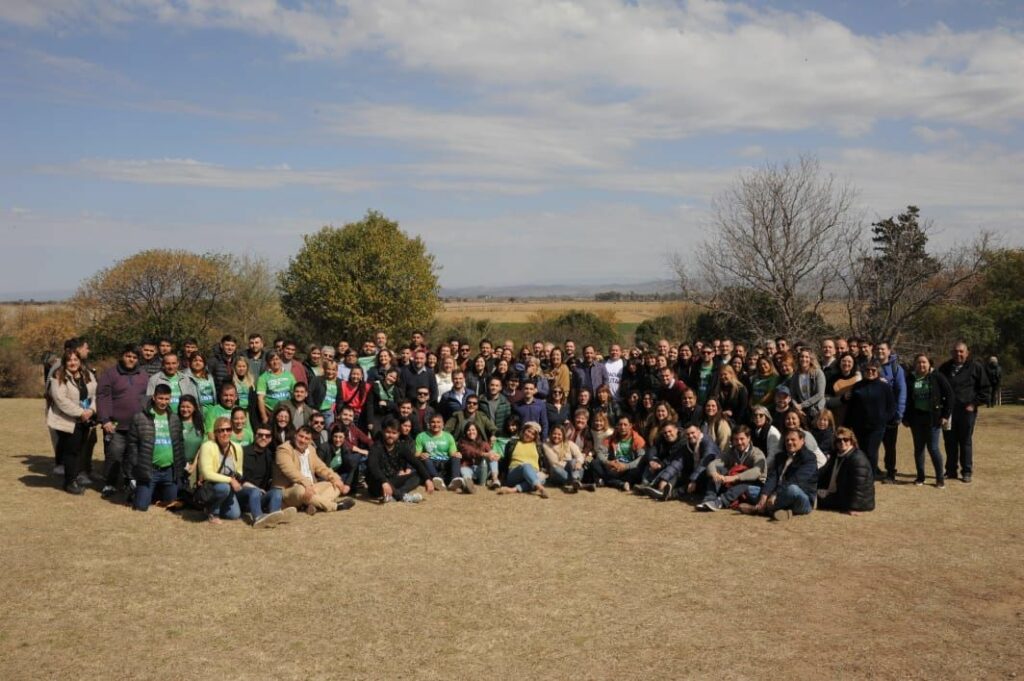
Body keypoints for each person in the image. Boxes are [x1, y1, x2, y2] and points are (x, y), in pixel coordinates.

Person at [96, 344, 147, 498]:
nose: (131, 359)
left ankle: (128, 481)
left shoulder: (143, 375)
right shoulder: (110, 374)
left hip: (136, 425)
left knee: (133, 456)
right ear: (122, 356)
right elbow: (103, 397)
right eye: (128, 356)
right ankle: (110, 484)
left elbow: (148, 399)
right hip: (115, 425)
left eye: (134, 357)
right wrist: (105, 420)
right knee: (114, 454)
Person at [126, 384, 186, 511]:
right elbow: (132, 444)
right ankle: (138, 491)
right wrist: (136, 466)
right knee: (141, 507)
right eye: (160, 398)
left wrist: (180, 468)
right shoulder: (140, 417)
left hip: (169, 471)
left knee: (172, 505)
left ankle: (155, 492)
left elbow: (179, 444)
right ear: (154, 397)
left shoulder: (174, 418)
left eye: (166, 399)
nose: (163, 402)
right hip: (150, 470)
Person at [938, 342, 990, 483]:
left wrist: (973, 404)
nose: (958, 354)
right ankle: (950, 470)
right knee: (949, 442)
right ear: (951, 353)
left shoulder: (976, 367)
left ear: (967, 353)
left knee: (965, 441)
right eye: (955, 351)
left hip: (966, 411)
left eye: (961, 352)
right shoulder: (944, 368)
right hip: (948, 412)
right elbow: (937, 387)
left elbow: (985, 390)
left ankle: (966, 471)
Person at [47, 350, 97, 494]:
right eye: (69, 360)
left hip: (86, 420)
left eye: (75, 359)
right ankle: (69, 482)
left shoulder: (88, 375)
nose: (73, 363)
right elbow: (61, 401)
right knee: (71, 452)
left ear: (80, 361)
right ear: (64, 362)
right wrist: (81, 412)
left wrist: (91, 411)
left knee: (80, 449)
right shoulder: (58, 377)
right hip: (68, 420)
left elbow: (95, 394)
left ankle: (75, 477)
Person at [273, 426, 355, 515]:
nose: (303, 440)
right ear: (295, 435)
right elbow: (290, 471)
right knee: (301, 490)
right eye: (301, 436)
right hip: (290, 490)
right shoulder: (284, 449)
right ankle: (334, 506)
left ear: (310, 441)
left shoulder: (310, 449)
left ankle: (312, 504)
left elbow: (321, 467)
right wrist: (306, 484)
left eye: (307, 438)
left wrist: (335, 479)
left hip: (311, 487)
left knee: (334, 485)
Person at [739, 429, 818, 521]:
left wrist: (776, 494)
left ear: (802, 441)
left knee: (793, 489)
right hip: (778, 494)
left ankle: (759, 509)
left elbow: (796, 480)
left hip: (802, 499)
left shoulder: (809, 458)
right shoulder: (780, 457)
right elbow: (773, 477)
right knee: (750, 490)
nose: (789, 442)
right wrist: (764, 494)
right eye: (787, 440)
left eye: (793, 440)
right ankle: (782, 510)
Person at [904, 353, 953, 487]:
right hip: (916, 418)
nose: (921, 365)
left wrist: (945, 415)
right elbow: (906, 399)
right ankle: (920, 477)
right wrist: (905, 417)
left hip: (933, 418)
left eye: (924, 362)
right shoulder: (911, 378)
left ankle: (939, 478)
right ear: (915, 364)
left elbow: (949, 395)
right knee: (918, 448)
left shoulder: (937, 377)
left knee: (933, 448)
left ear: (929, 363)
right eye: (919, 362)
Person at [845, 361, 896, 481]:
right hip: (859, 426)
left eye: (873, 370)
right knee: (861, 451)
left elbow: (892, 406)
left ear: (878, 371)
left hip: (877, 427)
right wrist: (847, 424)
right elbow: (851, 407)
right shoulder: (857, 386)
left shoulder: (884, 387)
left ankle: (871, 476)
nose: (870, 372)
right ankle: (861, 475)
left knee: (871, 452)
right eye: (868, 370)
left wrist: (884, 418)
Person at [696, 425, 767, 511]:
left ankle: (721, 502)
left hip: (755, 487)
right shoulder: (731, 452)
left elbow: (757, 472)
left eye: (742, 439)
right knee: (718, 470)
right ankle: (709, 499)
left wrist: (734, 478)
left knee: (745, 481)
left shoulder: (757, 453)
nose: (739, 442)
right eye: (736, 440)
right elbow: (713, 464)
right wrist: (714, 474)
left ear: (749, 438)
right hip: (734, 486)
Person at [237, 425, 294, 527]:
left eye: (267, 436)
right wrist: (256, 489)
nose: (264, 438)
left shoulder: (269, 455)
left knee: (277, 491)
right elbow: (239, 479)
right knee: (255, 491)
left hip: (259, 497)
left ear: (271, 438)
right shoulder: (243, 452)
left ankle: (274, 515)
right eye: (260, 435)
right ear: (255, 436)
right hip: (242, 494)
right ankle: (258, 518)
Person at [191, 416, 244, 524]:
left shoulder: (237, 447)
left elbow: (239, 470)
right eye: (221, 430)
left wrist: (237, 477)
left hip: (228, 487)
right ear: (215, 433)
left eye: (228, 429)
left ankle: (216, 506)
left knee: (234, 515)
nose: (225, 433)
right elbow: (207, 474)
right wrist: (230, 480)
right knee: (224, 488)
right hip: (211, 486)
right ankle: (212, 512)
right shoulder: (207, 446)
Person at [367, 419, 428, 503]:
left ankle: (395, 494)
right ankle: (401, 496)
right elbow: (373, 467)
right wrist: (383, 481)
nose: (390, 435)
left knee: (418, 475)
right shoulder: (376, 447)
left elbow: (416, 463)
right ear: (383, 432)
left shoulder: (401, 447)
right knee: (376, 478)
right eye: (388, 432)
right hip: (378, 484)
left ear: (398, 434)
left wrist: (428, 479)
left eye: (394, 433)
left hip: (393, 480)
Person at [816, 428, 875, 514]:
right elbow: (822, 474)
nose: (842, 442)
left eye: (846, 439)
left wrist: (854, 507)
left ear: (851, 441)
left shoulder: (858, 459)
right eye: (839, 440)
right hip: (839, 495)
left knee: (813, 499)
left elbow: (859, 487)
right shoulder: (836, 456)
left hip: (857, 502)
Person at [876, 342, 907, 486]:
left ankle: (890, 472)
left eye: (883, 349)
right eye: (878, 349)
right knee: (872, 445)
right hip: (874, 414)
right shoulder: (872, 367)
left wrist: (899, 413)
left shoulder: (896, 369)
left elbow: (902, 391)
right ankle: (873, 471)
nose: (880, 351)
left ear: (889, 351)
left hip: (890, 414)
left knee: (890, 446)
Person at [590, 416, 646, 491]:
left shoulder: (638, 439)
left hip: (628, 469)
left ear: (630, 426)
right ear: (617, 426)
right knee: (595, 462)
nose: (622, 427)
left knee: (639, 469)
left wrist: (626, 466)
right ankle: (619, 483)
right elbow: (600, 452)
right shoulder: (611, 437)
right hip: (613, 467)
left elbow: (641, 458)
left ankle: (608, 481)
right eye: (620, 424)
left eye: (625, 425)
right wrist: (608, 462)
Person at [497, 421, 549, 498]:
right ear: (524, 430)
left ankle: (513, 490)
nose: (529, 435)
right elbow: (505, 460)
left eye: (533, 434)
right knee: (527, 466)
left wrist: (545, 471)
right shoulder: (512, 443)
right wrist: (501, 476)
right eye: (528, 431)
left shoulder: (538, 446)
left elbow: (542, 460)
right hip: (515, 473)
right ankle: (540, 488)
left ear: (535, 436)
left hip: (533, 473)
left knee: (542, 478)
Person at [415, 413, 464, 492]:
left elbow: (452, 453)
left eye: (438, 422)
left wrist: (456, 454)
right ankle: (437, 480)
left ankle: (454, 480)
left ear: (443, 424)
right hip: (431, 462)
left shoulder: (448, 436)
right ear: (429, 424)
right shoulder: (421, 436)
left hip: (445, 462)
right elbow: (416, 454)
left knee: (456, 458)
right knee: (425, 460)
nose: (435, 424)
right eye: (433, 422)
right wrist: (421, 454)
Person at [640, 422, 687, 501]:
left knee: (670, 470)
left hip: (680, 467)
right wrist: (652, 460)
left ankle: (654, 486)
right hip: (666, 463)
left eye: (670, 431)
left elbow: (673, 459)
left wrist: (661, 465)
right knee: (649, 462)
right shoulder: (661, 439)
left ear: (676, 430)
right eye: (665, 433)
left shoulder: (683, 441)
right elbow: (653, 449)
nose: (667, 434)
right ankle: (645, 483)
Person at [256, 351, 296, 425]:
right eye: (272, 360)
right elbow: (260, 399)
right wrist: (264, 417)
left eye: (277, 359)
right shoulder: (263, 378)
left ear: (281, 360)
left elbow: (295, 393)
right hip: (271, 413)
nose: (275, 362)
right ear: (268, 362)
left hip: (287, 413)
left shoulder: (289, 375)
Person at [457, 422, 500, 488]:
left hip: (481, 468)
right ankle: (469, 485)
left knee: (492, 456)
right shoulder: (462, 442)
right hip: (467, 467)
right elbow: (470, 452)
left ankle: (495, 480)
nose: (471, 432)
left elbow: (490, 452)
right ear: (465, 432)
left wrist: (496, 455)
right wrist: (485, 454)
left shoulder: (483, 443)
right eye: (468, 430)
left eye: (473, 430)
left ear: (477, 431)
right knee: (466, 475)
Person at [543, 424, 584, 492]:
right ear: (550, 434)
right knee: (556, 469)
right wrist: (570, 464)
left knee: (574, 461)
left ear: (563, 435)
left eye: (559, 434)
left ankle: (575, 480)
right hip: (559, 473)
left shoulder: (569, 443)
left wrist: (579, 462)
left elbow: (579, 455)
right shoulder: (546, 445)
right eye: (554, 434)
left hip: (573, 471)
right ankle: (575, 482)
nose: (556, 436)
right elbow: (554, 462)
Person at [788, 348, 827, 419]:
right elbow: (792, 394)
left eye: (807, 357)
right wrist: (796, 406)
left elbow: (820, 394)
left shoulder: (818, 373)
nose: (804, 359)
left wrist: (802, 405)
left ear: (811, 359)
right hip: (802, 411)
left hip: (817, 410)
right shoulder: (795, 375)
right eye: (802, 356)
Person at [178, 395, 205, 467]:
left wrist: (194, 464)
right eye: (182, 407)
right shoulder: (175, 423)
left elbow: (202, 446)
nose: (185, 409)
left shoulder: (200, 424)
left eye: (188, 407)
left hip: (197, 465)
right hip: (179, 465)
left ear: (194, 408)